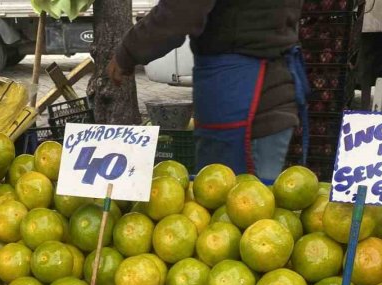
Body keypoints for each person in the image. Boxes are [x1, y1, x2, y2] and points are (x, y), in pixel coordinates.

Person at [107, 0, 306, 183]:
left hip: (245, 100)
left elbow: (181, 11)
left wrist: (128, 51)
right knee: (246, 202)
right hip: (264, 92)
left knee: (240, 202)